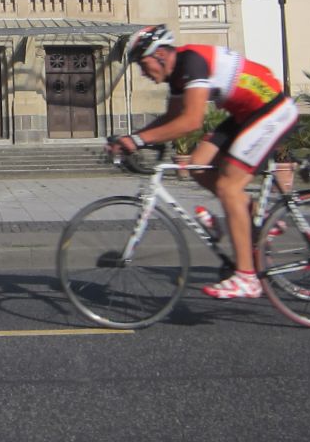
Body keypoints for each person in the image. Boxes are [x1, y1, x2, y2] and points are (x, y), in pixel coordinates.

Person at [108, 25, 299, 299]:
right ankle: (261, 215)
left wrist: (137, 142)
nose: (142, 72)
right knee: (195, 164)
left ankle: (247, 277)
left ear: (160, 54)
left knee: (229, 188)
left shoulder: (191, 62)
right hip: (245, 113)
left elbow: (191, 121)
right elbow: (172, 118)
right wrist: (134, 137)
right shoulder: (177, 76)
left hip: (271, 110)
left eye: (143, 63)